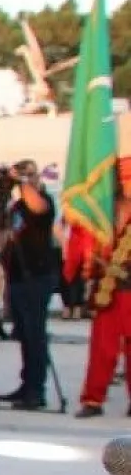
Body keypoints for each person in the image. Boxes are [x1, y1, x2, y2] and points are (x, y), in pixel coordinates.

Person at [0, 157, 58, 409]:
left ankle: (37, 389)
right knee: (23, 335)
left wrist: (23, 181)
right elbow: (3, 238)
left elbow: (38, 208)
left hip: (37, 275)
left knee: (35, 335)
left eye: (30, 174)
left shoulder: (43, 201)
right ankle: (26, 385)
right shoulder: (16, 206)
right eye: (22, 174)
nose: (26, 178)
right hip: (17, 276)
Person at [74, 155, 131, 418]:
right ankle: (93, 400)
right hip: (108, 289)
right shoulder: (103, 213)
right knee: (102, 347)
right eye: (123, 178)